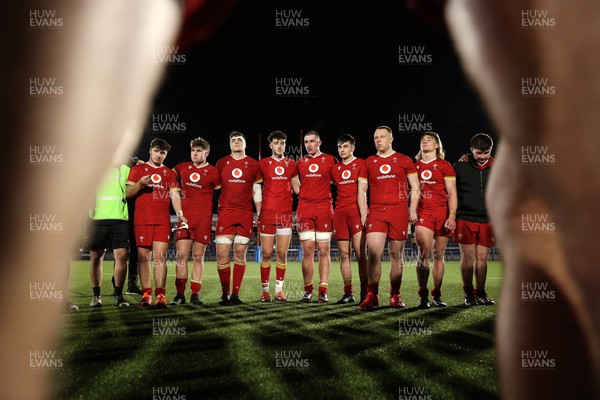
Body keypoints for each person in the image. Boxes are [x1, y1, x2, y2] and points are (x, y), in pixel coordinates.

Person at [359, 126, 420, 310]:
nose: (379, 140)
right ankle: (372, 295)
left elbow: (415, 188)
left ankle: (395, 295)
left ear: (391, 138)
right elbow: (361, 190)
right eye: (376, 137)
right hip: (376, 212)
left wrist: (412, 210)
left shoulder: (404, 160)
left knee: (396, 255)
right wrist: (363, 212)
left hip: (399, 211)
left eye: (382, 137)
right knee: (374, 253)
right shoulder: (368, 162)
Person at [126, 138, 186, 308]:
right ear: (150, 151)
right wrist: (139, 184)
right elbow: (128, 193)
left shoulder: (169, 173)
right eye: (156, 151)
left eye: (163, 153)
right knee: (144, 258)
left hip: (162, 221)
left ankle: (161, 295)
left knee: (160, 258)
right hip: (142, 220)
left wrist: (180, 214)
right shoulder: (138, 170)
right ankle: (146, 294)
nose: (159, 155)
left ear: (165, 155)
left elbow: (175, 196)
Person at [170, 137, 220, 306]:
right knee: (181, 256)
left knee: (198, 257)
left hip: (203, 220)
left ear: (206, 153)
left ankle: (195, 294)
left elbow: (224, 193)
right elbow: (162, 173)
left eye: (199, 151)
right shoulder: (181, 168)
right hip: (184, 218)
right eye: (193, 150)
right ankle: (179, 295)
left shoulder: (214, 172)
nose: (195, 153)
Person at [214, 131, 261, 305]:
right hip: (226, 212)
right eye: (232, 140)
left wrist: (260, 212)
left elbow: (257, 190)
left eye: (239, 140)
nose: (236, 142)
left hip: (245, 213)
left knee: (240, 254)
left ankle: (235, 294)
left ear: (245, 143)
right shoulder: (222, 163)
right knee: (222, 254)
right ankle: (224, 294)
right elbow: (214, 185)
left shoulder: (253, 164)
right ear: (229, 144)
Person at [291, 131, 337, 302]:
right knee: (308, 251)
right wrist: (300, 192)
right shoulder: (300, 162)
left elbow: (337, 179)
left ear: (319, 142)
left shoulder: (330, 160)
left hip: (325, 208)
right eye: (306, 142)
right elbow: (293, 178)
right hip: (305, 209)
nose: (309, 144)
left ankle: (323, 290)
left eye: (312, 141)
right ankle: (308, 290)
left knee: (324, 251)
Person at [414, 132, 457, 309]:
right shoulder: (413, 167)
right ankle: (423, 295)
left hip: (442, 213)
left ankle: (436, 294)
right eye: (423, 140)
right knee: (424, 252)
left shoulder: (445, 166)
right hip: (422, 213)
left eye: (429, 140)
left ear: (437, 145)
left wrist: (452, 216)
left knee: (438, 254)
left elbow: (452, 193)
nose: (425, 142)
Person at [452, 133, 494, 306]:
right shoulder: (459, 166)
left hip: (488, 219)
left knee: (482, 258)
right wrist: (452, 215)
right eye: (479, 153)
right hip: (465, 218)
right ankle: (469, 293)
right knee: (467, 257)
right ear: (471, 150)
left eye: (487, 153)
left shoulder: (499, 167)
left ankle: (481, 292)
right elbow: (452, 193)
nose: (483, 157)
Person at [257, 131, 297, 302]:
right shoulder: (263, 164)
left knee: (281, 253)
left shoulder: (292, 164)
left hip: (285, 214)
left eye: (282, 142)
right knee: (266, 253)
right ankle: (265, 291)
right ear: (270, 145)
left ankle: (279, 291)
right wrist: (259, 210)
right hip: (267, 214)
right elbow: (256, 188)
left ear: (285, 145)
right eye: (276, 142)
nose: (279, 145)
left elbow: (297, 189)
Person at [87, 164, 132, 308]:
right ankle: (96, 297)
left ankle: (118, 296)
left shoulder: (126, 169)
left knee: (121, 257)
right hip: (96, 220)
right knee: (95, 258)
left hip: (119, 221)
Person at [330, 134, 368, 304]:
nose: (342, 150)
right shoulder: (335, 169)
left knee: (361, 254)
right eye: (340, 147)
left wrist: (363, 213)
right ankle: (348, 293)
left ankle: (365, 292)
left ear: (352, 147)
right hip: (340, 213)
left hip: (356, 213)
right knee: (344, 255)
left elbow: (363, 191)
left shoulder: (361, 163)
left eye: (345, 146)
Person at [125, 156, 144, 295]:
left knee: (135, 255)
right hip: (124, 219)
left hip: (136, 219)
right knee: (122, 253)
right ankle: (119, 285)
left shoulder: (139, 176)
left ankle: (132, 285)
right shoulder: (125, 177)